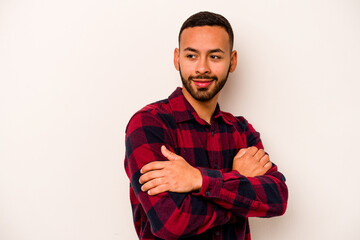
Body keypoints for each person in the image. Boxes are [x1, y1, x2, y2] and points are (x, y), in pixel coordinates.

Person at [124, 11, 288, 240]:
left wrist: (197, 179)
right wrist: (236, 179)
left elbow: (277, 198)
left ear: (232, 61)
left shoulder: (241, 130)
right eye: (192, 56)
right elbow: (170, 221)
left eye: (215, 57)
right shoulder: (149, 123)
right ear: (176, 58)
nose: (202, 68)